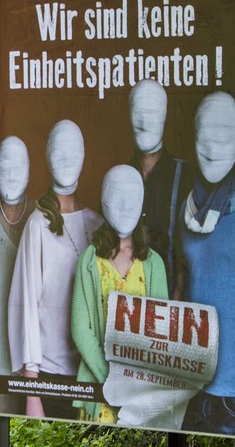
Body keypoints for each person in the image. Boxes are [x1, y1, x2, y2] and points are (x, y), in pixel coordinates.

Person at [8, 119, 103, 419]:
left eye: (73, 150)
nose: (66, 158)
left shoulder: (97, 224)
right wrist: (32, 393)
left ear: (85, 155)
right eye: (58, 150)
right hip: (51, 375)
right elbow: (26, 308)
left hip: (90, 373)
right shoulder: (38, 225)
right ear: (47, 158)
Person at [70, 165, 169, 424]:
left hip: (141, 396)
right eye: (118, 196)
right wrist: (111, 379)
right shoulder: (89, 260)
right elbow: (80, 328)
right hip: (99, 389)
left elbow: (162, 332)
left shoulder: (154, 264)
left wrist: (137, 384)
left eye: (133, 196)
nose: (125, 206)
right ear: (104, 200)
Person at [179, 91, 235, 436]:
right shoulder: (184, 200)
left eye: (224, 137)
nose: (214, 149)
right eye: (207, 135)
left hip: (234, 390)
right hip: (193, 382)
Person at [127, 79, 195, 299]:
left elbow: (191, 254)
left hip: (170, 307)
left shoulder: (185, 177)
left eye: (153, 112)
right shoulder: (121, 177)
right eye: (139, 111)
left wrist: (174, 305)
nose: (145, 121)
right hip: (126, 308)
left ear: (164, 115)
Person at [0, 136, 32, 415]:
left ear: (30, 169)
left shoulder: (43, 216)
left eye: (18, 165)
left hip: (38, 358)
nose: (10, 173)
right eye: (3, 165)